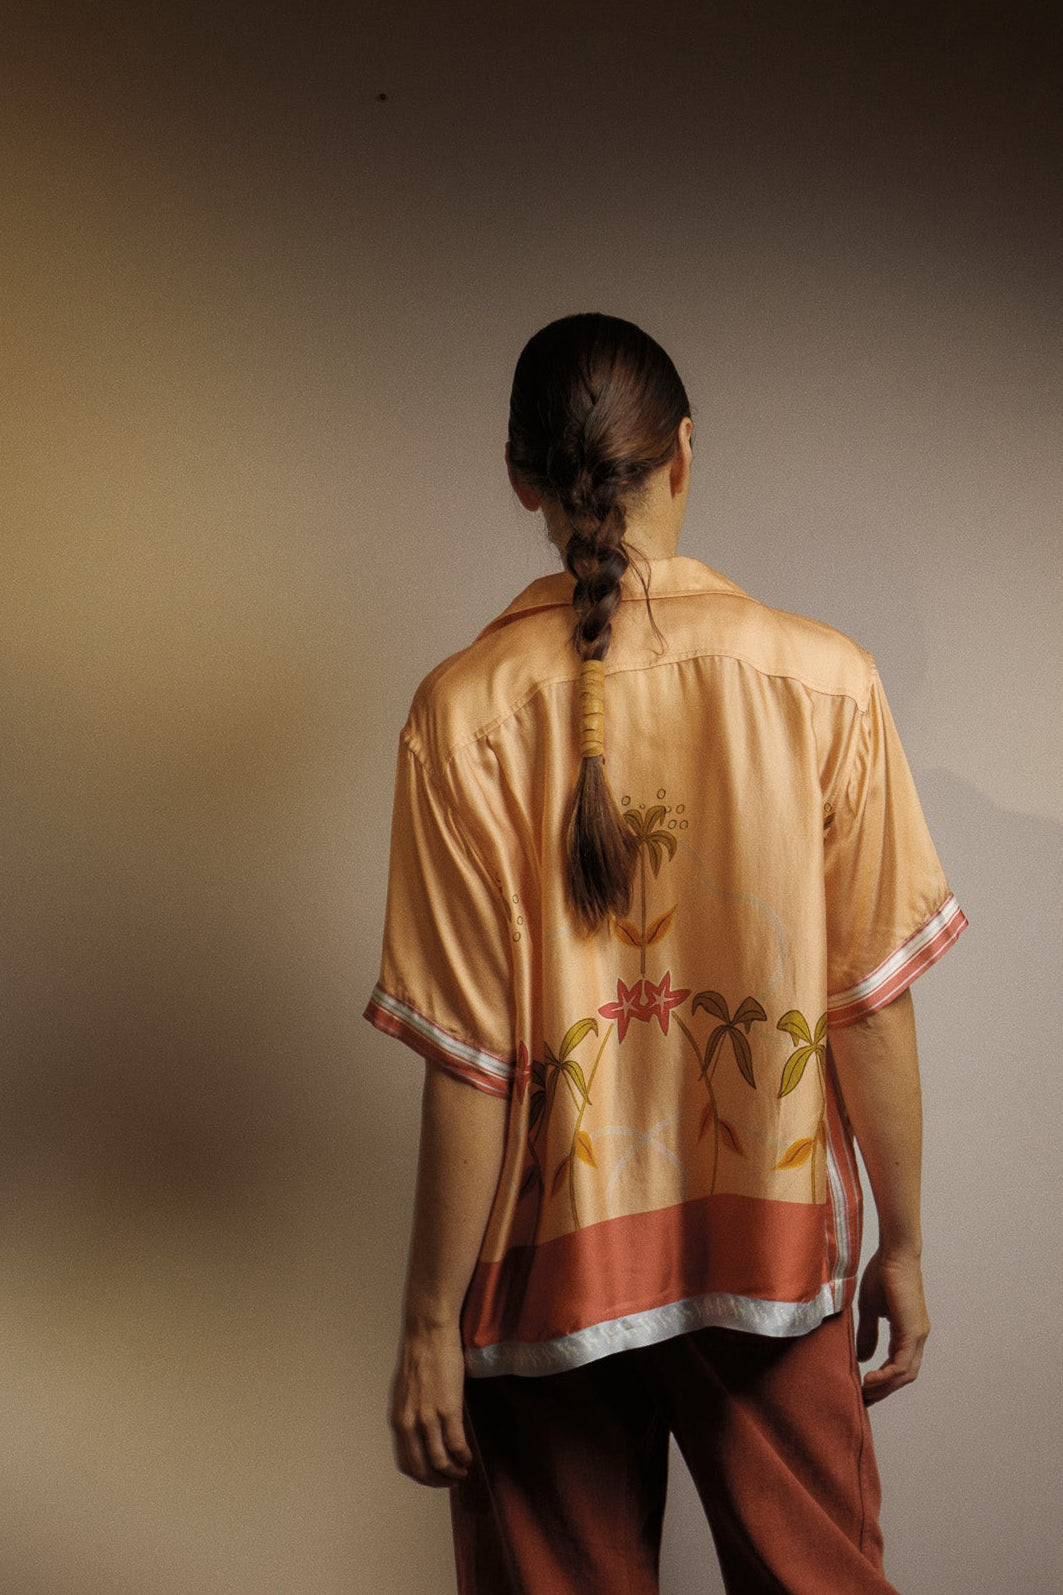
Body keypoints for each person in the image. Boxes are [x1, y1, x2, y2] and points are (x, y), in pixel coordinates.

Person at [365, 313, 967, 1594]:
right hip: (773, 1247)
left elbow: (470, 1059)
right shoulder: (826, 682)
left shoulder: (460, 717)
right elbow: (866, 1005)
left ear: (521, 478)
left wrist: (426, 1321)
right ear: (683, 452)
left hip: (545, 1266)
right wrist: (904, 1243)